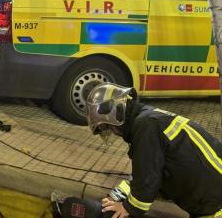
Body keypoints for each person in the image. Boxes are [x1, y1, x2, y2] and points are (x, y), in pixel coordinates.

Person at [81, 83, 222, 218]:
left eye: (108, 127)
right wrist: (117, 195)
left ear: (115, 116)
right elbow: (149, 174)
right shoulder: (148, 118)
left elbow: (147, 183)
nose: (113, 133)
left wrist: (127, 208)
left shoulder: (145, 127)